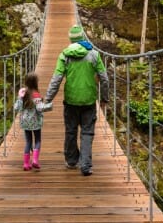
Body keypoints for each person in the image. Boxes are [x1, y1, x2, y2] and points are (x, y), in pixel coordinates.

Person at [45, 25, 109, 176]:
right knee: (87, 132)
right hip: (89, 100)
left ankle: (72, 161)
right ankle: (86, 165)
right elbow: (104, 79)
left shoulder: (65, 55)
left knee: (71, 130)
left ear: (70, 39)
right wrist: (104, 98)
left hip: (71, 100)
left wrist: (48, 98)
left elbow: (56, 79)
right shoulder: (94, 55)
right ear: (82, 37)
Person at [14, 72, 52, 170]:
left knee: (28, 142)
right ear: (36, 83)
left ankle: (26, 164)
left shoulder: (22, 94)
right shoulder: (36, 95)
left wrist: (19, 98)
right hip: (35, 122)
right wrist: (49, 106)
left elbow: (16, 108)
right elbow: (40, 108)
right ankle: (35, 160)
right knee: (38, 140)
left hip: (25, 122)